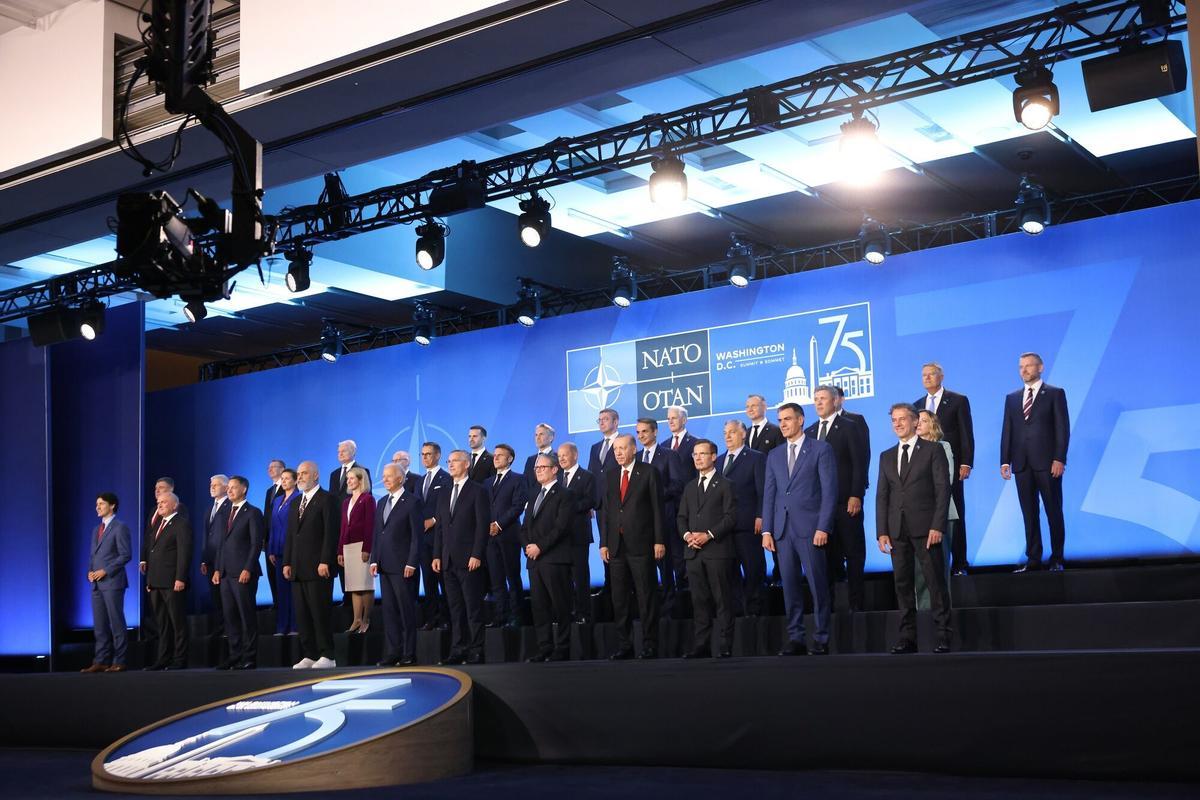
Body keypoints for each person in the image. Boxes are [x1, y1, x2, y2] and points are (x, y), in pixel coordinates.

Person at [876, 403, 952, 654]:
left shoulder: (932, 450)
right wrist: (882, 531)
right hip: (897, 531)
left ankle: (943, 635)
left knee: (934, 581)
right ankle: (908, 637)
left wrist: (937, 524)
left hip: (926, 528)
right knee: (903, 584)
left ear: (914, 422)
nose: (897, 424)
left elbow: (943, 490)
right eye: (893, 420)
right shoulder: (886, 456)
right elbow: (882, 496)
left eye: (902, 419)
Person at [761, 402, 836, 655]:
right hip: (782, 531)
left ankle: (822, 637)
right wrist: (767, 530)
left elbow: (829, 492)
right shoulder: (774, 455)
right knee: (790, 587)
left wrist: (823, 526)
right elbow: (769, 495)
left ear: (801, 420)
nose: (782, 424)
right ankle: (796, 637)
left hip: (811, 528)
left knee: (817, 585)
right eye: (780, 420)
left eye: (787, 419)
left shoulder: (820, 449)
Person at [1001, 352, 1070, 572]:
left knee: (1053, 510)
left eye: (1029, 366)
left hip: (1048, 463)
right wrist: (1005, 461)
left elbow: (1062, 428)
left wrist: (1059, 458)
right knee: (1029, 513)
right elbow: (1008, 430)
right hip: (1021, 464)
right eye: (1021, 366)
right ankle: (1033, 558)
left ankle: (1057, 557)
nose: (1024, 370)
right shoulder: (1012, 398)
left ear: (1040, 367)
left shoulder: (1055, 394)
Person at [601, 434, 664, 660]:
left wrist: (659, 540)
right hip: (616, 547)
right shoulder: (609, 476)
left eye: (622, 448)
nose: (618, 453)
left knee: (646, 597)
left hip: (642, 544)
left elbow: (658, 509)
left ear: (633, 449)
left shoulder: (648, 472)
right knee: (619, 599)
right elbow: (606, 512)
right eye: (615, 449)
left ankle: (649, 644)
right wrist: (604, 543)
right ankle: (625, 644)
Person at [806, 386, 867, 612]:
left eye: (823, 399)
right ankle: (827, 608)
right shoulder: (810, 432)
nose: (819, 403)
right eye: (816, 400)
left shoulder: (850, 427)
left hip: (845, 502)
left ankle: (856, 605)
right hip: (819, 508)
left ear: (835, 401)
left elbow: (860, 463)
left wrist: (856, 494)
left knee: (853, 553)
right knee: (826, 559)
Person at [677, 439, 737, 659]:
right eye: (695, 454)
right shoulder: (690, 487)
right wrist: (687, 536)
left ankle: (725, 645)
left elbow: (731, 517)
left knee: (722, 600)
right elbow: (681, 517)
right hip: (693, 553)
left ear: (714, 457)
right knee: (699, 601)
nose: (698, 458)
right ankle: (701, 645)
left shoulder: (725, 484)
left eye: (702, 454)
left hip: (717, 551)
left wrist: (709, 535)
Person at [915, 363, 975, 575]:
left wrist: (966, 462)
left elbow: (966, 433)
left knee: (955, 513)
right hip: (923, 472)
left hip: (952, 466)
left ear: (941, 376)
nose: (927, 378)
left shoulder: (957, 400)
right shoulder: (917, 405)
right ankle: (935, 565)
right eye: (924, 375)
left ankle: (960, 563)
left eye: (931, 374)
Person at [432, 450, 490, 665]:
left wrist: (477, 554)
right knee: (455, 609)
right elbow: (440, 527)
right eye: (449, 461)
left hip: (469, 560)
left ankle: (476, 649)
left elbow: (482, 527)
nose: (450, 464)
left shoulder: (478, 491)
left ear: (466, 464)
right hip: (447, 560)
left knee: (473, 607)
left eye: (455, 460)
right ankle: (459, 649)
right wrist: (437, 554)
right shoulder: (444, 492)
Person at [283, 460, 339, 669]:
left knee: (319, 611)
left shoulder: (327, 499)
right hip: (298, 567)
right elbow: (291, 535)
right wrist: (287, 561)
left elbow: (330, 534)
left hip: (318, 566)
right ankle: (310, 653)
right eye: (298, 473)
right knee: (303, 613)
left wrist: (326, 560)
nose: (300, 477)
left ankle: (328, 655)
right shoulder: (296, 502)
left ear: (316, 475)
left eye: (304, 473)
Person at [522, 454, 574, 662]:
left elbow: (561, 527)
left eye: (543, 467)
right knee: (540, 606)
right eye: (536, 468)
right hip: (534, 560)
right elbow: (525, 525)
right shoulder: (534, 494)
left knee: (560, 605)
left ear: (555, 470)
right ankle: (544, 647)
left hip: (554, 558)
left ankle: (562, 647)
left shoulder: (565, 494)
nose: (539, 470)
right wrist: (527, 545)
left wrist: (540, 547)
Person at [371, 463, 423, 666]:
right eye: (383, 476)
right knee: (389, 611)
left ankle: (409, 653)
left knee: (405, 611)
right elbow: (377, 533)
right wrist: (374, 559)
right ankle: (393, 652)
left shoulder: (412, 502)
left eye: (389, 476)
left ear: (401, 478)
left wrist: (412, 562)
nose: (384, 479)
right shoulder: (382, 501)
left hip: (403, 567)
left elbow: (416, 537)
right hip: (384, 565)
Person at [212, 475, 263, 670]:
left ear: (244, 489)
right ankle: (234, 656)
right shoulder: (224, 513)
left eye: (234, 487)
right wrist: (217, 568)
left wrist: (248, 568)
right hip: (225, 573)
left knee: (246, 616)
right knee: (230, 617)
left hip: (243, 573)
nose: (230, 490)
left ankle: (249, 657)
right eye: (229, 487)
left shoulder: (253, 513)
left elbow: (255, 543)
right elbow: (220, 545)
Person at [719, 419, 766, 617]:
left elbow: (763, 490)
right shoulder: (719, 460)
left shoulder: (756, 458)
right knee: (729, 573)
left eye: (732, 432)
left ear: (743, 434)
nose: (728, 436)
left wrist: (760, 515)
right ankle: (737, 612)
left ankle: (755, 612)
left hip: (748, 525)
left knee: (753, 569)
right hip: (724, 529)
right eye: (725, 433)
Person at [139, 492, 192, 670]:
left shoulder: (181, 524)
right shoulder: (157, 525)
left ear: (174, 505)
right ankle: (163, 659)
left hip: (172, 582)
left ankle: (179, 659)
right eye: (158, 502)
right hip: (155, 582)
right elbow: (153, 554)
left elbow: (184, 554)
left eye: (164, 502)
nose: (159, 505)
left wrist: (180, 578)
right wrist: (149, 581)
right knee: (162, 624)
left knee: (177, 623)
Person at [635, 417, 683, 610]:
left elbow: (677, 485)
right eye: (638, 433)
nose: (640, 436)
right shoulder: (636, 458)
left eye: (644, 431)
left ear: (655, 432)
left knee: (667, 563)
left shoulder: (669, 455)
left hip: (664, 518)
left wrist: (652, 495)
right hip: (640, 522)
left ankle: (670, 605)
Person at [82, 492, 131, 673]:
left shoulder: (120, 527)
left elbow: (125, 554)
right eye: (97, 504)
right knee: (100, 624)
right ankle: (101, 660)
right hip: (96, 584)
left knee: (116, 622)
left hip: (112, 582)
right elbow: (93, 555)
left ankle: (120, 660)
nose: (98, 507)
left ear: (112, 506)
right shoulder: (97, 529)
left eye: (101, 504)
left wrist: (106, 570)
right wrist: (90, 571)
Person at [915, 410, 958, 609]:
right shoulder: (911, 450)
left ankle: (942, 613)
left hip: (941, 515)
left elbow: (946, 480)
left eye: (924, 420)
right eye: (917, 420)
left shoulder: (943, 447)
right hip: (918, 519)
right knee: (920, 570)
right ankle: (923, 613)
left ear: (933, 424)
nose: (919, 424)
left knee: (939, 568)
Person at [486, 443, 526, 628]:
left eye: (500, 455)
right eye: (495, 455)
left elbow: (518, 506)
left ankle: (517, 616)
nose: (496, 458)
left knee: (513, 577)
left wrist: (499, 524)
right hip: (489, 537)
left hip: (508, 535)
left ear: (510, 459)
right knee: (496, 579)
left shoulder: (518, 479)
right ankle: (500, 616)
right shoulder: (487, 482)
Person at [746, 394, 784, 586]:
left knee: (776, 539)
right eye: (747, 406)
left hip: (774, 494)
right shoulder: (743, 433)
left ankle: (780, 578)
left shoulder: (775, 431)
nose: (750, 409)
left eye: (754, 405)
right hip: (750, 497)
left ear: (764, 406)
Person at [558, 442, 597, 623]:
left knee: (580, 576)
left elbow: (590, 500)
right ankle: (567, 613)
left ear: (575, 455)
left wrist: (567, 509)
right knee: (562, 579)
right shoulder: (556, 476)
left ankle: (584, 614)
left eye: (564, 455)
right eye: (559, 456)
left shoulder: (587, 476)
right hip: (559, 538)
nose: (561, 459)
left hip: (578, 535)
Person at [416, 442, 452, 629]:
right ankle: (431, 618)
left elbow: (448, 507)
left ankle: (447, 618)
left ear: (438, 455)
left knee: (444, 581)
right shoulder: (420, 481)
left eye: (428, 454)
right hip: (423, 540)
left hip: (440, 538)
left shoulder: (446, 478)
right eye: (422, 454)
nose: (425, 458)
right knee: (428, 581)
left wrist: (434, 521)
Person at [339, 466, 377, 634]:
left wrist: (367, 548)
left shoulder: (368, 499)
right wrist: (340, 550)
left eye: (352, 478)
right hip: (348, 547)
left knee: (365, 585)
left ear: (361, 480)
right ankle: (356, 620)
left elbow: (370, 525)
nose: (349, 481)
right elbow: (342, 527)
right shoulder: (346, 501)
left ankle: (366, 619)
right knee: (354, 586)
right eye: (348, 478)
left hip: (362, 546)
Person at [267, 468, 300, 635]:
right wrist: (271, 549)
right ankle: (282, 626)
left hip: (293, 550)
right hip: (278, 550)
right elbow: (272, 526)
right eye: (283, 478)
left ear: (295, 480)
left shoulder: (298, 498)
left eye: (287, 478)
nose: (284, 481)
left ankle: (295, 626)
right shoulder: (278, 499)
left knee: (293, 591)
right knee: (281, 591)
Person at [199, 474, 230, 637]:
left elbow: (224, 537)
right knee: (215, 597)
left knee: (225, 597)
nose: (212, 487)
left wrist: (219, 562)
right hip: (210, 560)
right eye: (211, 485)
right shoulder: (209, 509)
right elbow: (206, 535)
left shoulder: (229, 507)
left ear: (226, 487)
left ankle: (228, 628)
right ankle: (220, 628)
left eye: (216, 485)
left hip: (223, 560)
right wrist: (204, 559)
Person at [262, 459, 287, 616]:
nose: (270, 470)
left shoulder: (287, 489)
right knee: (271, 573)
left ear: (283, 469)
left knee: (281, 574)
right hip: (270, 538)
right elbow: (267, 517)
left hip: (282, 539)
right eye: (268, 467)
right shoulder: (269, 491)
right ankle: (276, 601)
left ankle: (284, 604)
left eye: (274, 467)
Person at [328, 440, 371, 506]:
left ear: (353, 452)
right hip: (335, 514)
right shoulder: (334, 474)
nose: (340, 454)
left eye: (343, 451)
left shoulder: (362, 471)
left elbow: (367, 497)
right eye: (338, 452)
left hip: (355, 513)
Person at [523, 423, 556, 492]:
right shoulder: (530, 460)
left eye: (541, 434)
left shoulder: (557, 458)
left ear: (551, 438)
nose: (538, 438)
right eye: (536, 435)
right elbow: (525, 482)